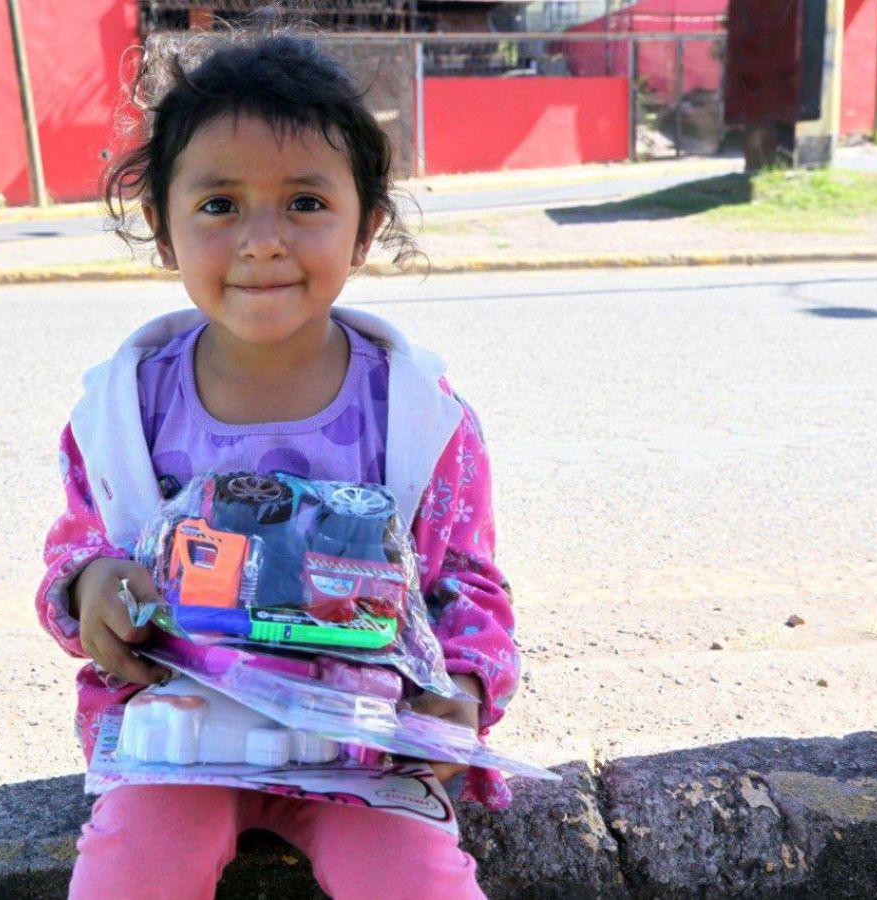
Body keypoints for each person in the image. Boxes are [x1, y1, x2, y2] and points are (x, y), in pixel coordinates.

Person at [35, 23, 519, 900]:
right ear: (164, 228)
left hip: (367, 742)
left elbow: (471, 586)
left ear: (366, 227)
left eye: (305, 202)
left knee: (415, 882)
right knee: (133, 873)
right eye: (219, 205)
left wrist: (468, 690)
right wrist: (93, 589)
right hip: (179, 737)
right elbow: (75, 553)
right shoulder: (121, 413)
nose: (263, 240)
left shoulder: (418, 416)